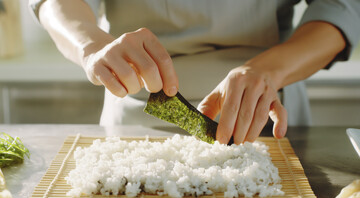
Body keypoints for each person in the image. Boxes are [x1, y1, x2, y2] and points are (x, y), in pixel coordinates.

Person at [29, 0, 360, 145]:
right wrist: (92, 47)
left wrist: (269, 70)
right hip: (133, 111)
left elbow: (342, 7)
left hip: (267, 111)